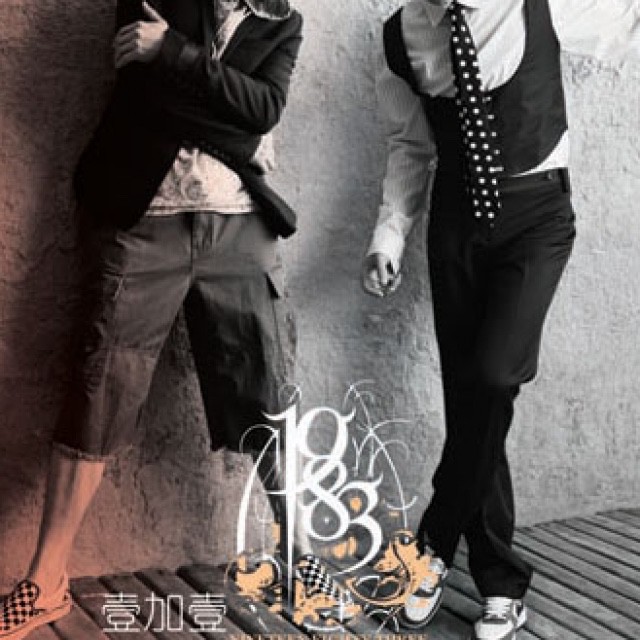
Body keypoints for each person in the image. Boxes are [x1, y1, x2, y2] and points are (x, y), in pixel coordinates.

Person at [0, 1, 350, 638]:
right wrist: (240, 133)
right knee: (99, 388)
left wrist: (173, 55)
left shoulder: (282, 21)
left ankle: (298, 559)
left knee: (269, 391)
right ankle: (45, 581)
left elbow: (266, 107)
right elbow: (149, 102)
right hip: (146, 221)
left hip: (240, 226)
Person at [362, 0, 640, 638]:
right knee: (472, 405)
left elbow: (628, 23)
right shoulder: (401, 34)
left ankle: (431, 546)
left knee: (493, 377)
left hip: (537, 217)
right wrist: (389, 235)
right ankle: (500, 586)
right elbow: (410, 147)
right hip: (454, 225)